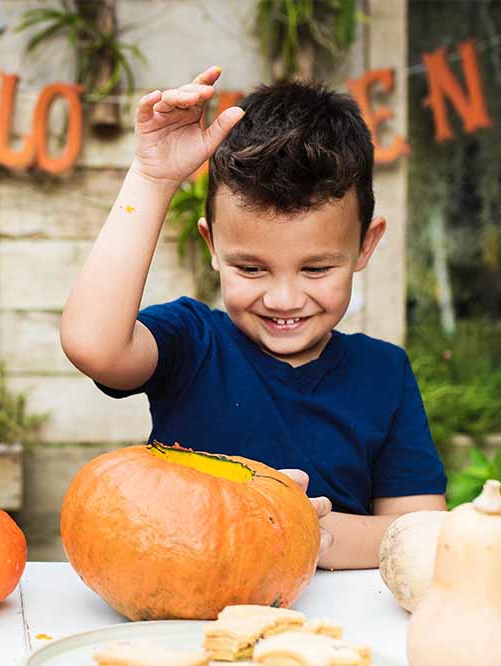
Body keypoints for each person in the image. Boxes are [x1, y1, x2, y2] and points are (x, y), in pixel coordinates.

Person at [61, 66, 446, 570]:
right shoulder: (191, 342)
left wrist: (304, 529)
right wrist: (153, 179)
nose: (284, 299)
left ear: (364, 245)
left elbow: (423, 534)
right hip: (185, 616)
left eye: (316, 268)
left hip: (333, 634)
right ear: (212, 246)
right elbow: (93, 346)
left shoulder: (384, 373)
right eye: (251, 268)